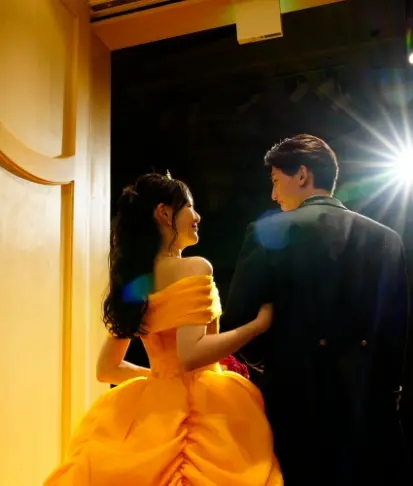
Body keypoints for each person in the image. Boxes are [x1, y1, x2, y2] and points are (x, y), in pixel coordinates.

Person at [44, 173, 282, 486]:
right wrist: (257, 326)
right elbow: (191, 354)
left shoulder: (135, 281)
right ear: (164, 213)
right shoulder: (195, 267)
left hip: (153, 411)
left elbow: (107, 369)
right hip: (206, 406)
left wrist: (162, 379)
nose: (197, 216)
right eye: (190, 207)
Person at [220, 134, 411, 485]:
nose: (273, 195)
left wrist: (270, 362)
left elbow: (239, 320)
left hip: (296, 398)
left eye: (276, 181)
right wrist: (388, 389)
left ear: (302, 175)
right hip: (368, 402)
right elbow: (394, 330)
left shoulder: (266, 232)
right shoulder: (387, 238)